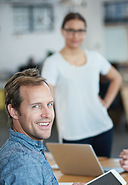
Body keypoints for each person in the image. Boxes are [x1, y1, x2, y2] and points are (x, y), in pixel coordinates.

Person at [0, 68, 88, 185]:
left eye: (49, 104)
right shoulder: (24, 164)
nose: (48, 114)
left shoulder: (16, 150)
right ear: (14, 111)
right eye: (36, 106)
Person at [41, 12, 122, 158]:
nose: (75, 35)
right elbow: (46, 97)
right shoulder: (53, 63)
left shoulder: (95, 58)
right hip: (73, 132)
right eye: (70, 30)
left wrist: (106, 103)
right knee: (76, 179)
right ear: (62, 31)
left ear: (85, 33)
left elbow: (117, 78)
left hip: (102, 127)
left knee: (103, 177)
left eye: (80, 31)